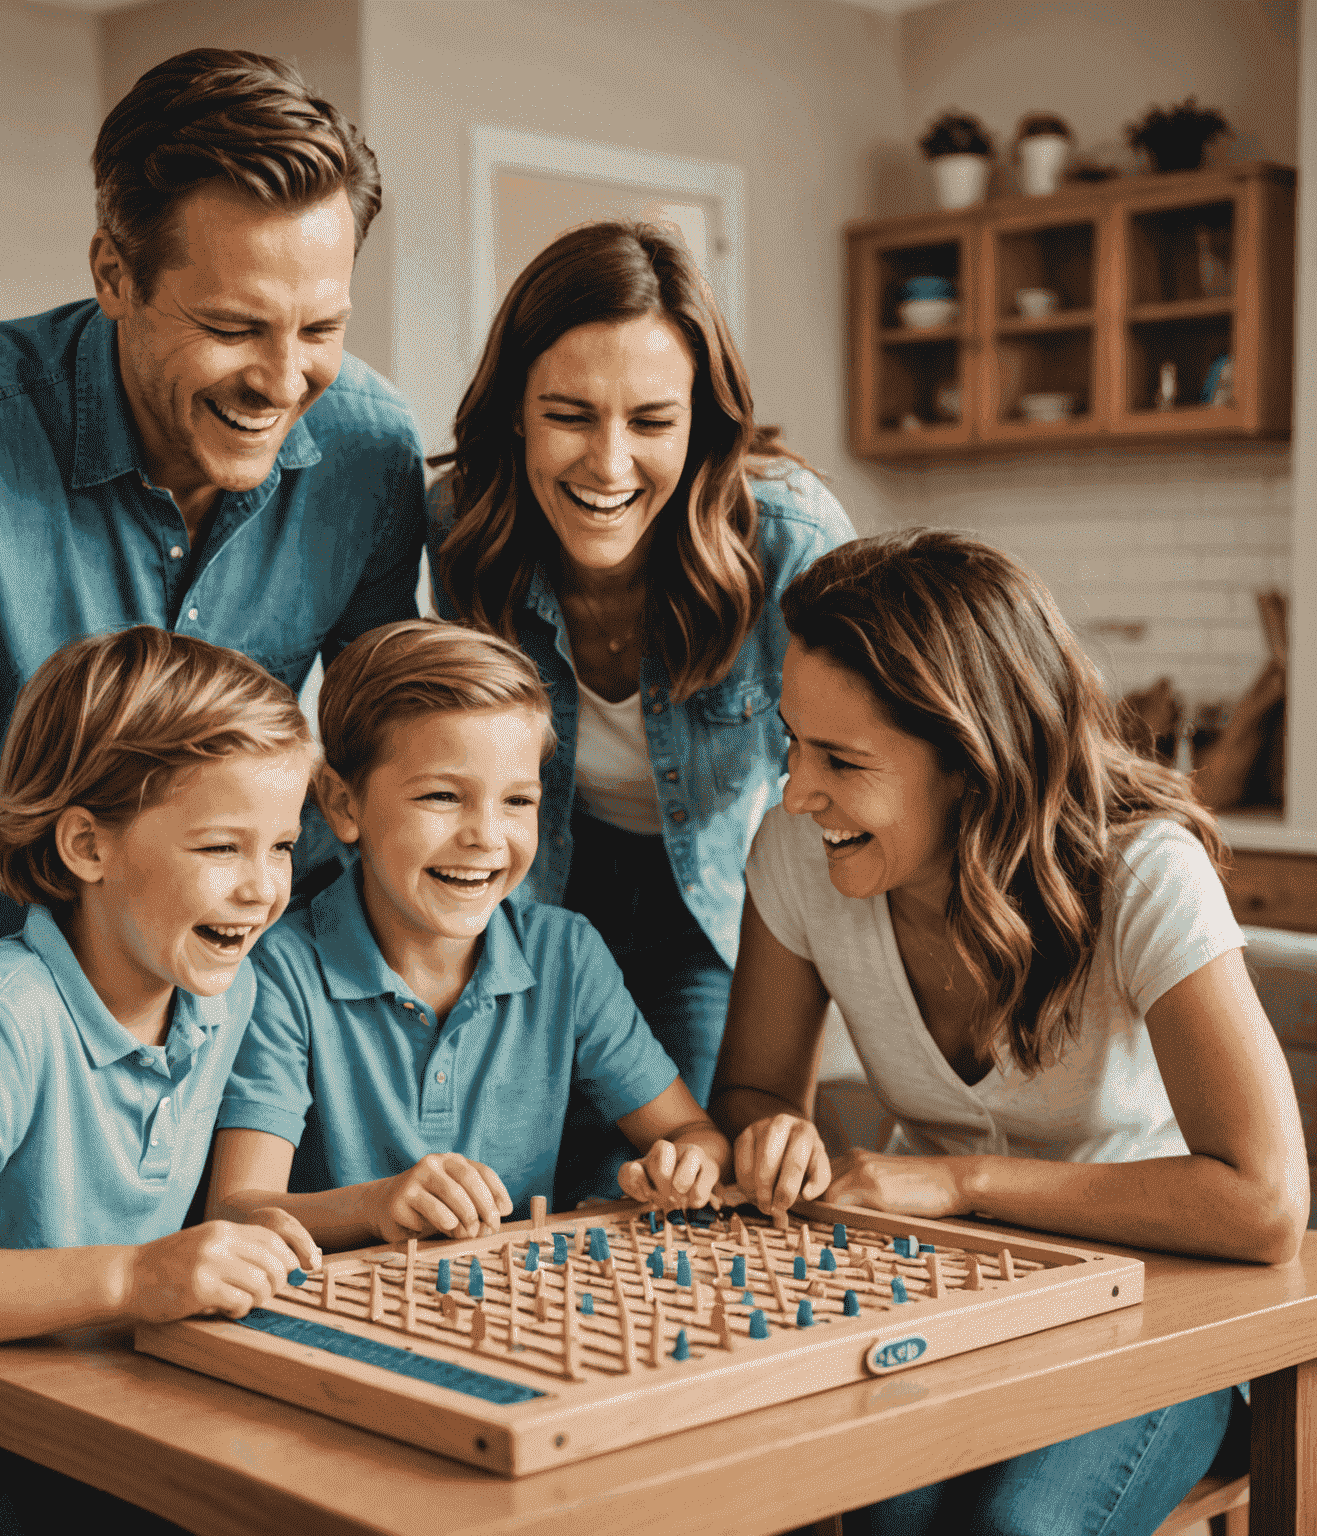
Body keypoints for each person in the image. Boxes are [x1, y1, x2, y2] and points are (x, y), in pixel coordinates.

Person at [0, 47, 424, 1153]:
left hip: (252, 1099)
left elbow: (382, 777)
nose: (282, 383)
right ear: (115, 274)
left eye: (320, 330)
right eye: (232, 327)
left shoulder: (369, 452)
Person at [711, 528, 1308, 1534]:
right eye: (791, 742)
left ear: (972, 761)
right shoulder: (796, 856)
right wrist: (775, 1134)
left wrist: (960, 1182)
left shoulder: (1145, 876)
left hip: (1160, 1302)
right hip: (932, 1288)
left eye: (840, 760)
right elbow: (757, 1092)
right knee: (871, 1515)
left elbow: (1261, 1205)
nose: (796, 790)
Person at [0, 627, 323, 1535]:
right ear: (87, 845)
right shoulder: (0, 1020)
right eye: (220, 849)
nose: (263, 888)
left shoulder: (222, 994)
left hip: (101, 1402)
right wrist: (130, 1278)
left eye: (280, 846)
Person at [426, 221, 854, 1207]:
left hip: (707, 898)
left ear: (702, 424)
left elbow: (857, 763)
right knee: (531, 1180)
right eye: (570, 415)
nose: (608, 464)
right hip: (539, 886)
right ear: (516, 416)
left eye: (652, 422)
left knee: (680, 1186)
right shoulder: (467, 527)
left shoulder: (788, 538)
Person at [207, 619, 730, 1249]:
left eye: (517, 802)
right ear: (344, 806)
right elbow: (236, 1212)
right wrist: (378, 1205)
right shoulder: (282, 970)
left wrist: (686, 1165)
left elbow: (693, 1134)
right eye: (442, 796)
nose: (485, 836)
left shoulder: (567, 954)